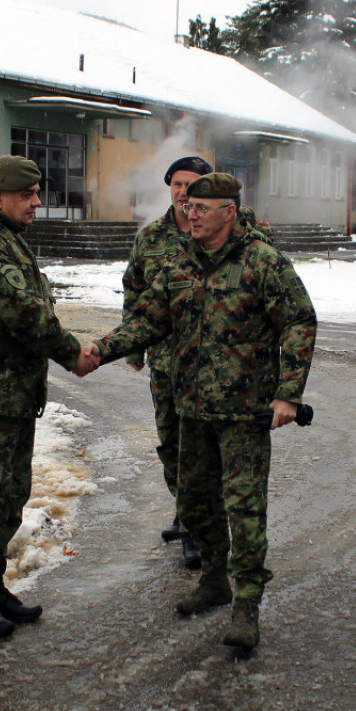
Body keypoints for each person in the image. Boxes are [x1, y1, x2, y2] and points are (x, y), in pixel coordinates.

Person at [87, 172, 316, 649]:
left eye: (200, 208)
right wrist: (98, 351)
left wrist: (288, 394)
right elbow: (147, 319)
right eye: (187, 207)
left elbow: (298, 320)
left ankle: (247, 604)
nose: (189, 214)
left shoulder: (263, 262)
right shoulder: (177, 264)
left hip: (242, 415)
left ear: (228, 212)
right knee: (194, 502)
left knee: (244, 510)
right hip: (190, 408)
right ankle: (215, 579)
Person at [0, 154, 99, 640]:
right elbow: (21, 310)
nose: (35, 202)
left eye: (36, 192)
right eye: (26, 195)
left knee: (9, 494)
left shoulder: (5, 236)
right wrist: (71, 352)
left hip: (8, 390)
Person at [120, 155, 214, 569]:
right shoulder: (152, 237)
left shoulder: (216, 232)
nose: (183, 192)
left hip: (211, 362)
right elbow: (134, 291)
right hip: (165, 360)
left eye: (192, 185)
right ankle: (186, 508)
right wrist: (132, 347)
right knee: (171, 441)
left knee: (200, 446)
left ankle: (198, 526)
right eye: (177, 184)